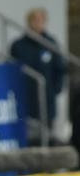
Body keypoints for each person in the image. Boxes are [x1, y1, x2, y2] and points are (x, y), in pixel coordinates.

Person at [10, 8, 67, 146]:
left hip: (47, 98)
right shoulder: (19, 45)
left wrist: (56, 89)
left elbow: (60, 68)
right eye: (35, 20)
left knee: (48, 135)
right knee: (29, 135)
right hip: (26, 98)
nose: (38, 23)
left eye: (41, 20)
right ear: (29, 22)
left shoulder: (50, 43)